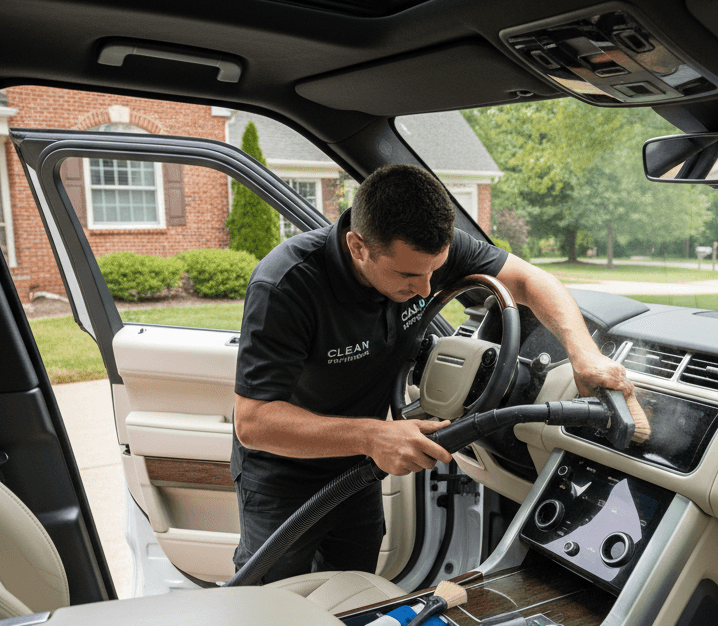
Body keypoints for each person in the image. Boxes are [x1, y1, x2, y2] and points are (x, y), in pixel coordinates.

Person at [231, 163, 633, 583]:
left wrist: (584, 353)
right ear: (358, 246)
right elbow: (254, 422)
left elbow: (529, 280)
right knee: (273, 598)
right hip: (284, 475)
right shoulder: (285, 286)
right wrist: (373, 435)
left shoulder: (425, 250)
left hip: (358, 468)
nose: (425, 289)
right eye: (408, 275)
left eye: (434, 271)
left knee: (352, 587)